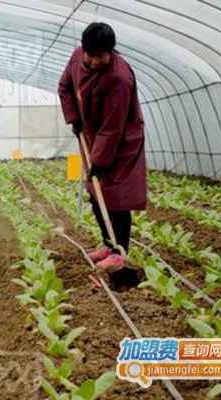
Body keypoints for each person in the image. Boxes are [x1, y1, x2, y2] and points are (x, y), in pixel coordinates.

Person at [57, 22, 146, 269]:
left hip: (121, 140)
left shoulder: (118, 78)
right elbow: (64, 86)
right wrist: (74, 118)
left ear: (111, 52)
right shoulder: (76, 59)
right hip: (95, 136)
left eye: (104, 56)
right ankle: (108, 243)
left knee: (116, 194)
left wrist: (99, 161)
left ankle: (121, 250)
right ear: (84, 51)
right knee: (95, 190)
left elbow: (113, 126)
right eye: (94, 56)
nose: (98, 61)